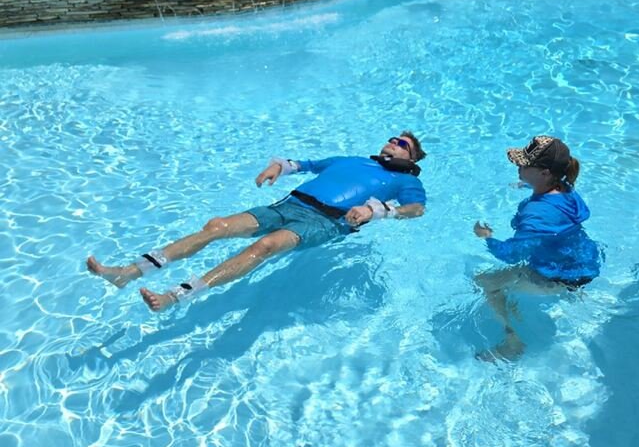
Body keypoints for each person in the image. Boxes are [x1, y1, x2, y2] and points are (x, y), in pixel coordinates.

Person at [87, 132, 427, 313]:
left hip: (327, 222)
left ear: (410, 158)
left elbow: (416, 209)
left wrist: (378, 211)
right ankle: (128, 273)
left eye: (402, 144)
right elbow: (305, 163)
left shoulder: (406, 182)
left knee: (264, 246)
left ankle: (178, 295)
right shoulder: (351, 160)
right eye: (393, 139)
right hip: (291, 203)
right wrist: (280, 166)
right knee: (217, 226)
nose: (392, 143)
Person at [473, 134, 601, 359]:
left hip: (556, 277)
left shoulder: (537, 215)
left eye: (524, 165)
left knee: (486, 282)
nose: (518, 166)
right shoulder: (566, 188)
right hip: (585, 264)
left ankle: (512, 340)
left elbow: (511, 255)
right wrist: (529, 183)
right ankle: (575, 293)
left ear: (545, 173)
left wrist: (487, 237)